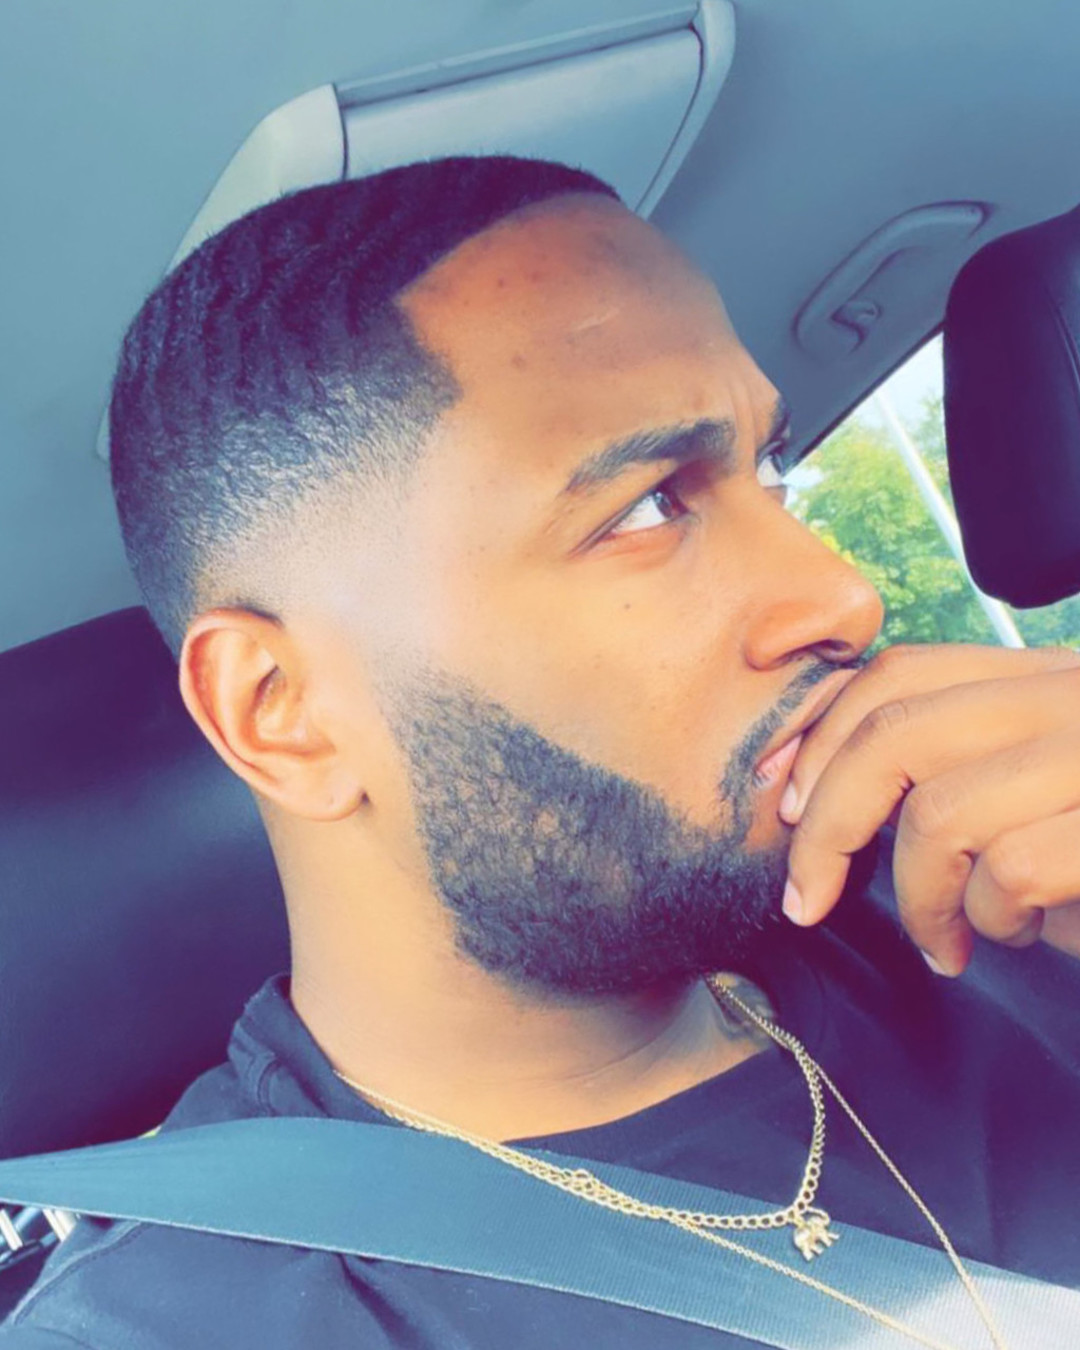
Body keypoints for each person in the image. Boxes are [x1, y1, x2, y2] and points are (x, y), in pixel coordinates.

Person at [2, 154, 1079, 1349]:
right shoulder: (178, 1327)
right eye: (645, 506)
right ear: (281, 712)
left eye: (770, 468)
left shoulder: (998, 901)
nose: (840, 594)